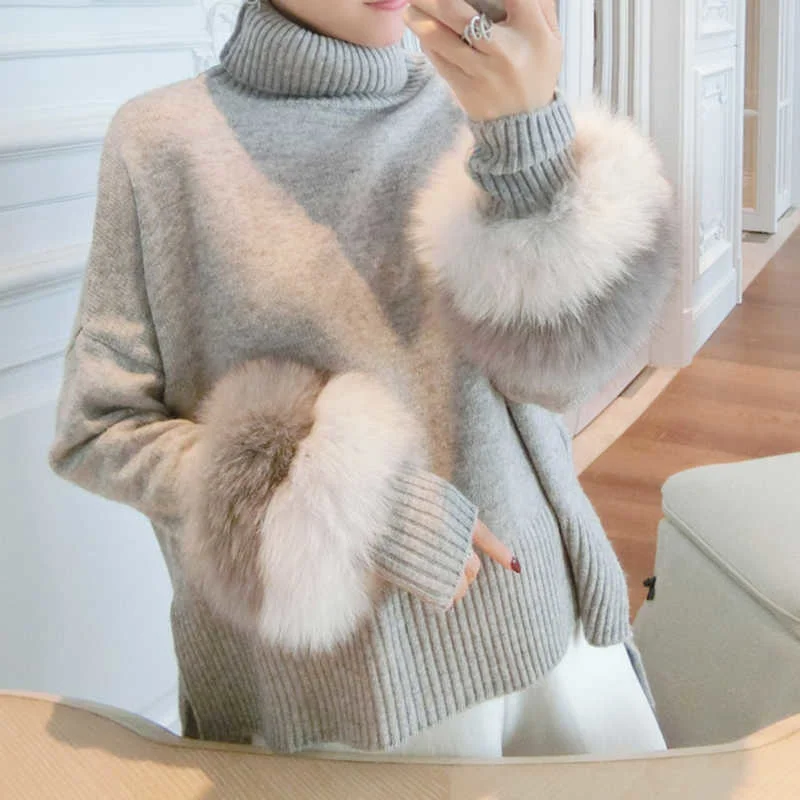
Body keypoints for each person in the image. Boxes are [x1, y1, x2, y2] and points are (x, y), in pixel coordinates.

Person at [48, 0, 675, 758]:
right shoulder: (161, 143)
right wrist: (342, 505)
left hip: (550, 638)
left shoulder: (478, 101)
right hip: (348, 700)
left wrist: (531, 142)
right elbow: (98, 429)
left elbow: (565, 383)